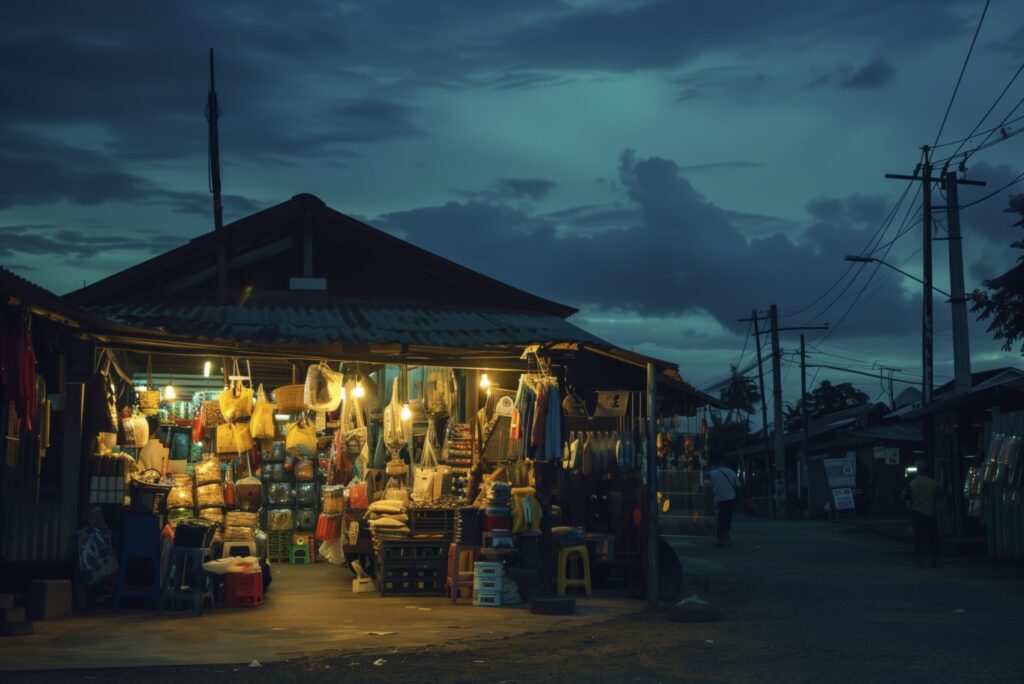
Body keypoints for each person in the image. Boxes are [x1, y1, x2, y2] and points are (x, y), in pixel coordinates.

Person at [909, 460, 941, 567]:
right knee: (933, 536)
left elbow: (908, 498)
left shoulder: (913, 483)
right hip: (930, 513)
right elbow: (939, 497)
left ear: (918, 471)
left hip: (917, 512)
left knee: (919, 537)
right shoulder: (934, 483)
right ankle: (934, 559)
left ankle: (920, 560)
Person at [709, 456, 739, 547]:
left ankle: (723, 538)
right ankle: (725, 537)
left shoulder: (712, 473)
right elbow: (737, 484)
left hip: (720, 498)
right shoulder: (731, 472)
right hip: (731, 498)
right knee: (728, 518)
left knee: (721, 519)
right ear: (722, 462)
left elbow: (707, 486)